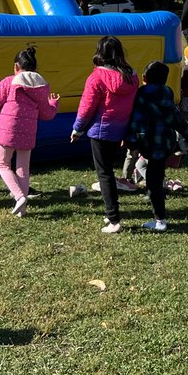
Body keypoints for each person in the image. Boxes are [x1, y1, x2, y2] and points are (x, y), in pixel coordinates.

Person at [0, 46, 60, 217]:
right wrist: (53, 104)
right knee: (23, 167)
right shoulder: (42, 87)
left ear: (16, 67)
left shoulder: (9, 82)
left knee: (3, 164)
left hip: (8, 130)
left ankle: (19, 197)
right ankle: (22, 208)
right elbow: (46, 114)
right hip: (28, 132)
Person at [71, 35, 139, 234]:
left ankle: (114, 219)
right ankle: (112, 211)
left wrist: (77, 128)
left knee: (105, 174)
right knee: (108, 172)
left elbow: (86, 107)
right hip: (120, 128)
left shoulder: (97, 77)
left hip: (101, 130)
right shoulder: (131, 76)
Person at [126, 61, 188, 232]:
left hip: (149, 143)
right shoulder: (167, 92)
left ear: (144, 78)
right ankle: (159, 209)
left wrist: (134, 142)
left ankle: (160, 220)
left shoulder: (142, 94)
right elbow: (176, 119)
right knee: (155, 176)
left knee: (153, 183)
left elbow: (139, 123)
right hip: (165, 142)